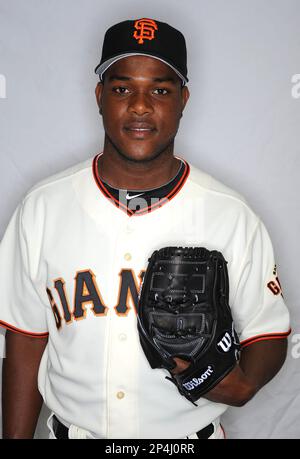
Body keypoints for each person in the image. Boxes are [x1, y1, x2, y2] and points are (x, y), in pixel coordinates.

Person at [0, 18, 290, 440]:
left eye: (160, 89)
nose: (139, 105)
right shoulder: (42, 208)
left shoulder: (230, 214)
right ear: (100, 96)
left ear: (183, 99)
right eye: (122, 89)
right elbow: (26, 340)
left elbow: (268, 332)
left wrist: (246, 383)